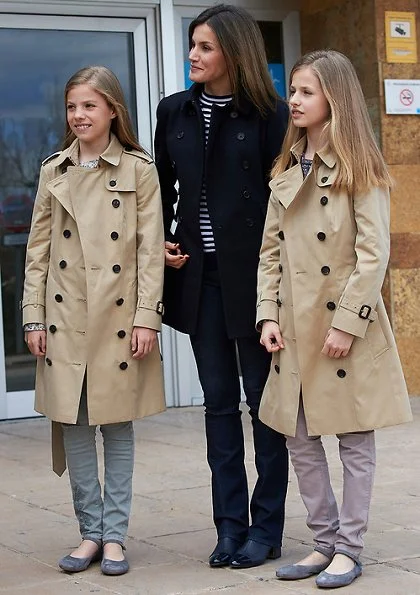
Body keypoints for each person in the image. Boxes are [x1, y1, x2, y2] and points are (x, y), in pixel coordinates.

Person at [257, 49, 412, 589]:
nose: (293, 101)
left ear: (334, 99)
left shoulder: (360, 167)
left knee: (352, 439)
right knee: (298, 436)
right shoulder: (286, 166)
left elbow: (374, 255)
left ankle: (350, 546)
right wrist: (266, 315)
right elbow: (270, 251)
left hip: (343, 323)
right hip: (294, 329)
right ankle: (322, 541)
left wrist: (347, 323)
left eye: (305, 92)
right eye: (293, 90)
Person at [154, 4, 289, 569]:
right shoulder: (173, 111)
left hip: (254, 281)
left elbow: (285, 202)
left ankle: (266, 530)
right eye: (192, 45)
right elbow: (160, 189)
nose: (193, 55)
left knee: (264, 407)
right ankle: (229, 529)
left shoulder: (271, 115)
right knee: (217, 405)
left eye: (205, 47)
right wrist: (160, 239)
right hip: (199, 281)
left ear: (233, 53)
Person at [22, 65, 166, 576]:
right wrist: (33, 318)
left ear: (112, 111)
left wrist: (148, 317)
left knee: (117, 426)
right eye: (71, 107)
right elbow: (37, 253)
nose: (78, 115)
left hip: (119, 318)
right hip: (63, 317)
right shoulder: (53, 171)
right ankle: (89, 533)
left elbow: (151, 252)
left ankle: (115, 535)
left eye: (88, 105)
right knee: (75, 426)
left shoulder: (138, 170)